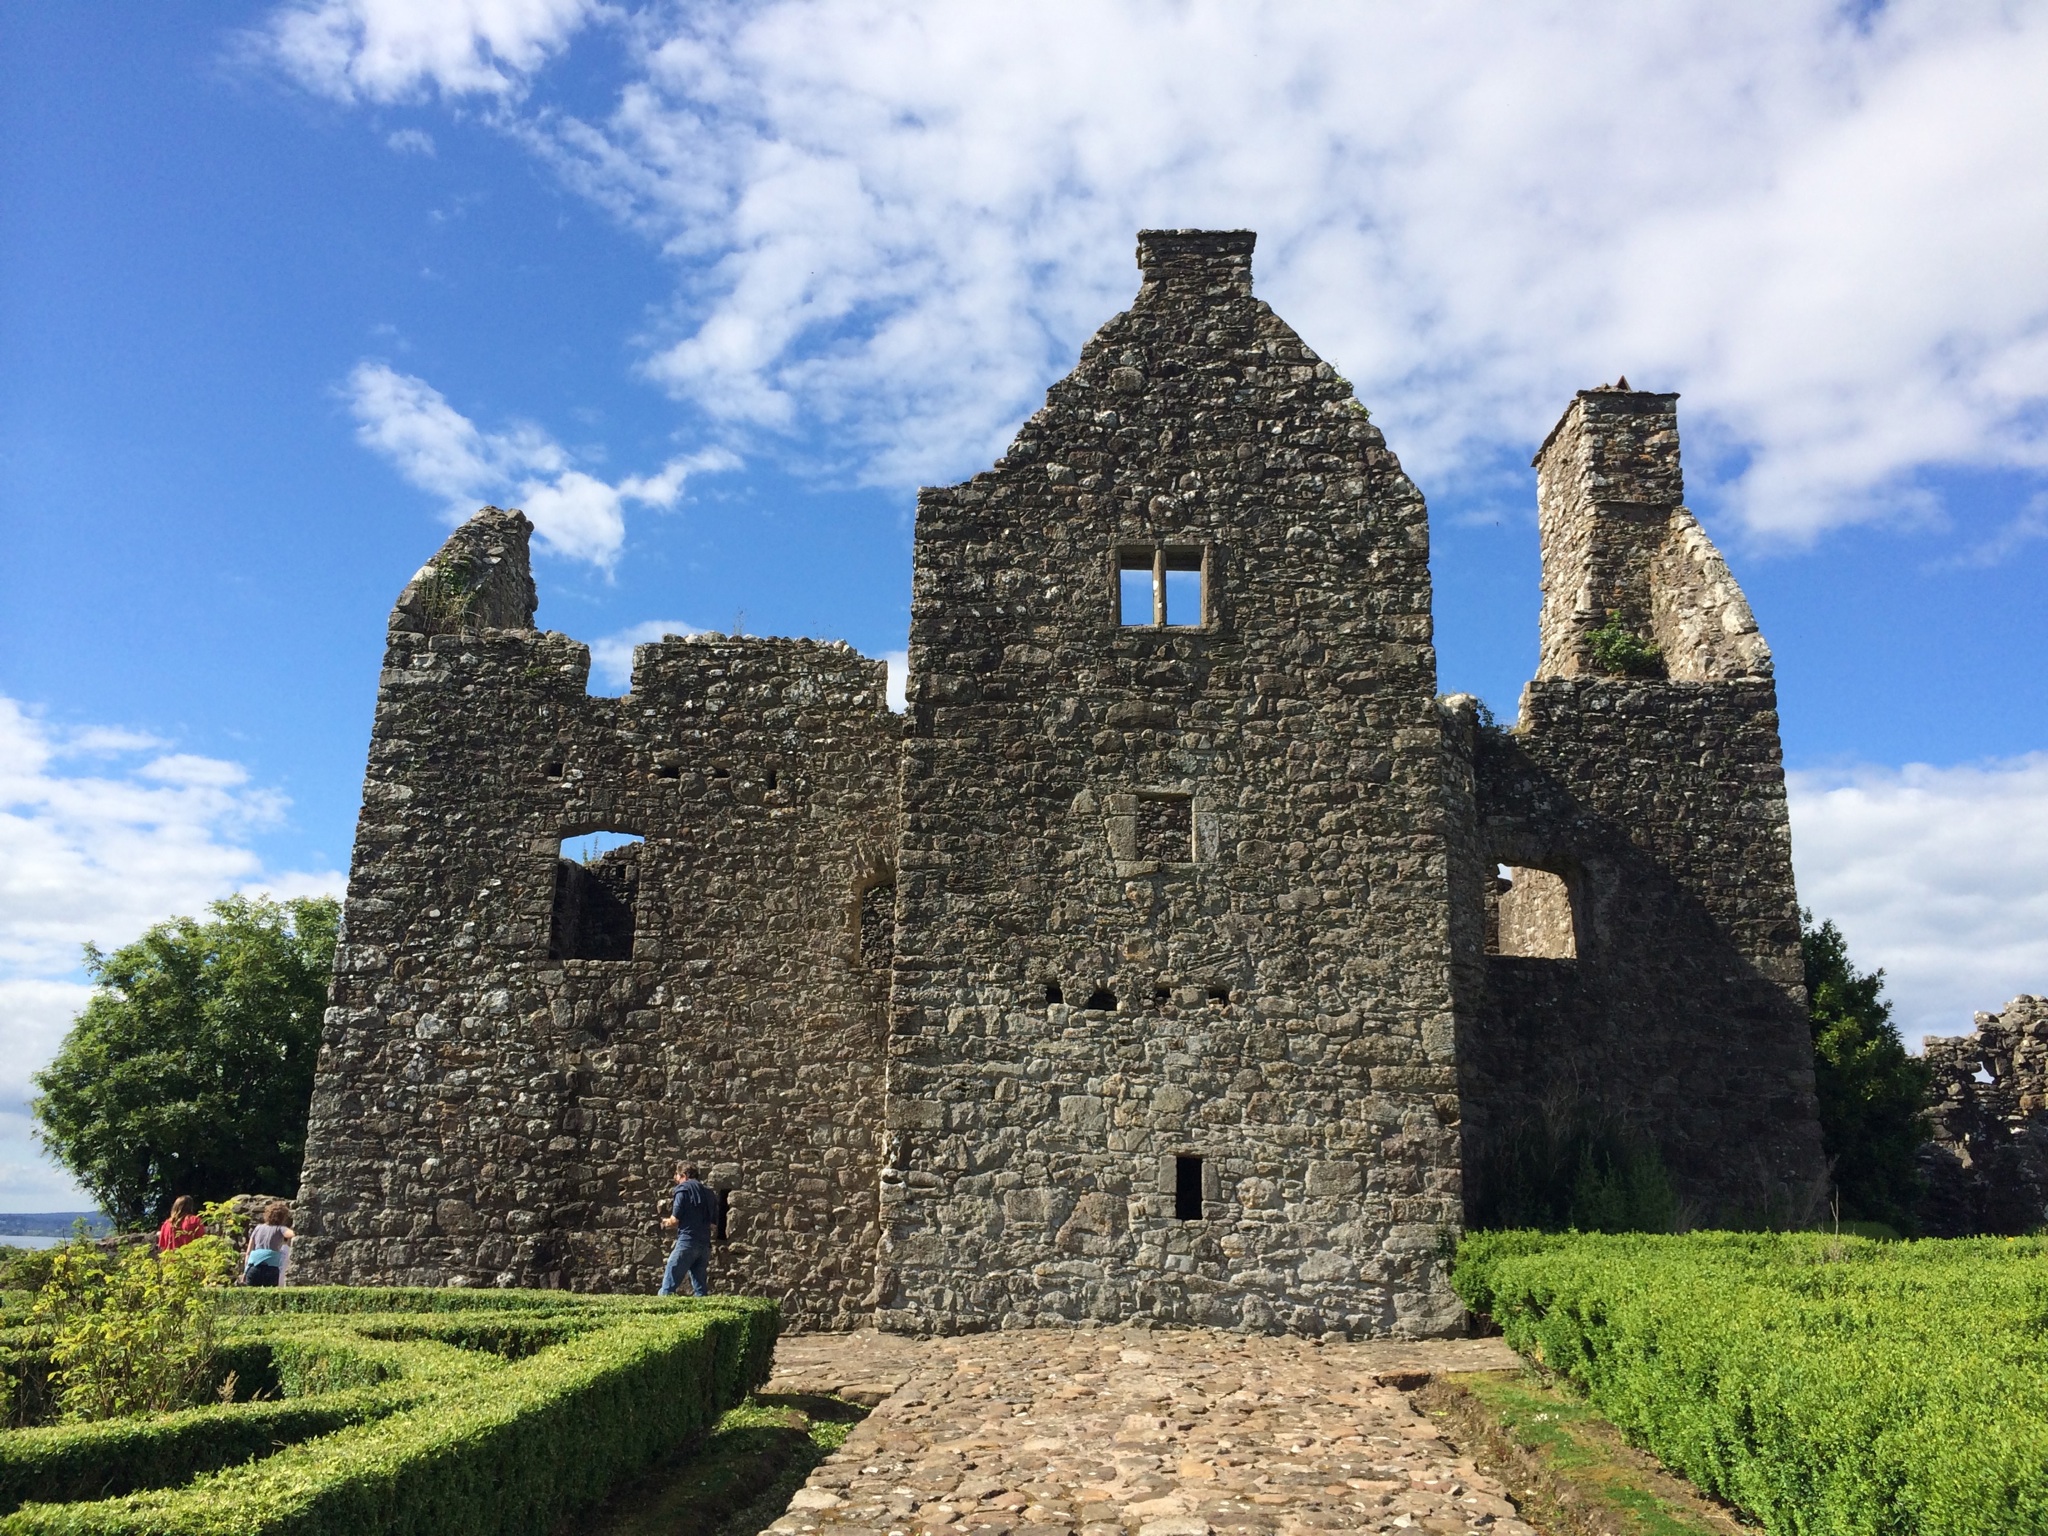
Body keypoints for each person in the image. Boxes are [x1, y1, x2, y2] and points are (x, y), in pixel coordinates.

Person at [657, 1163, 717, 1297]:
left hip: (687, 1242)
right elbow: (713, 1225)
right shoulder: (709, 1193)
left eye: (677, 1177)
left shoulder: (682, 1189)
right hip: (704, 1246)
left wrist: (665, 1222)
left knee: (668, 1287)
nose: (676, 1180)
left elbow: (675, 1220)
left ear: (683, 1175)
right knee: (700, 1290)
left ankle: (660, 1314)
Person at [243, 1201, 293, 1287]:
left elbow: (248, 1252)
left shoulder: (258, 1228)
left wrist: (245, 1271)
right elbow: (292, 1234)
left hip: (253, 1267)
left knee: (250, 1296)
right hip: (271, 1268)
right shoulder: (280, 1229)